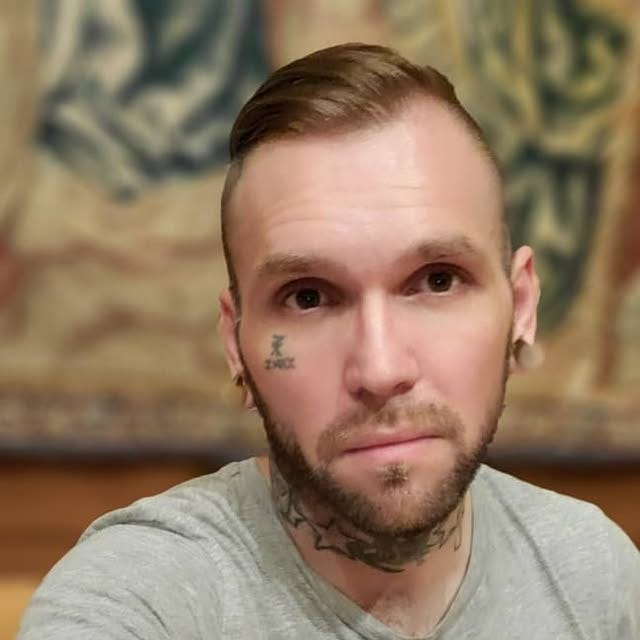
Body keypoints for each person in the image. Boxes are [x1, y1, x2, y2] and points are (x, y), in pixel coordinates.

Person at [19, 43, 640, 640]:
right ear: (236, 344)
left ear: (522, 305)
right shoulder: (141, 594)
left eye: (438, 280)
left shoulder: (593, 574)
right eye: (308, 297)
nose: (380, 368)